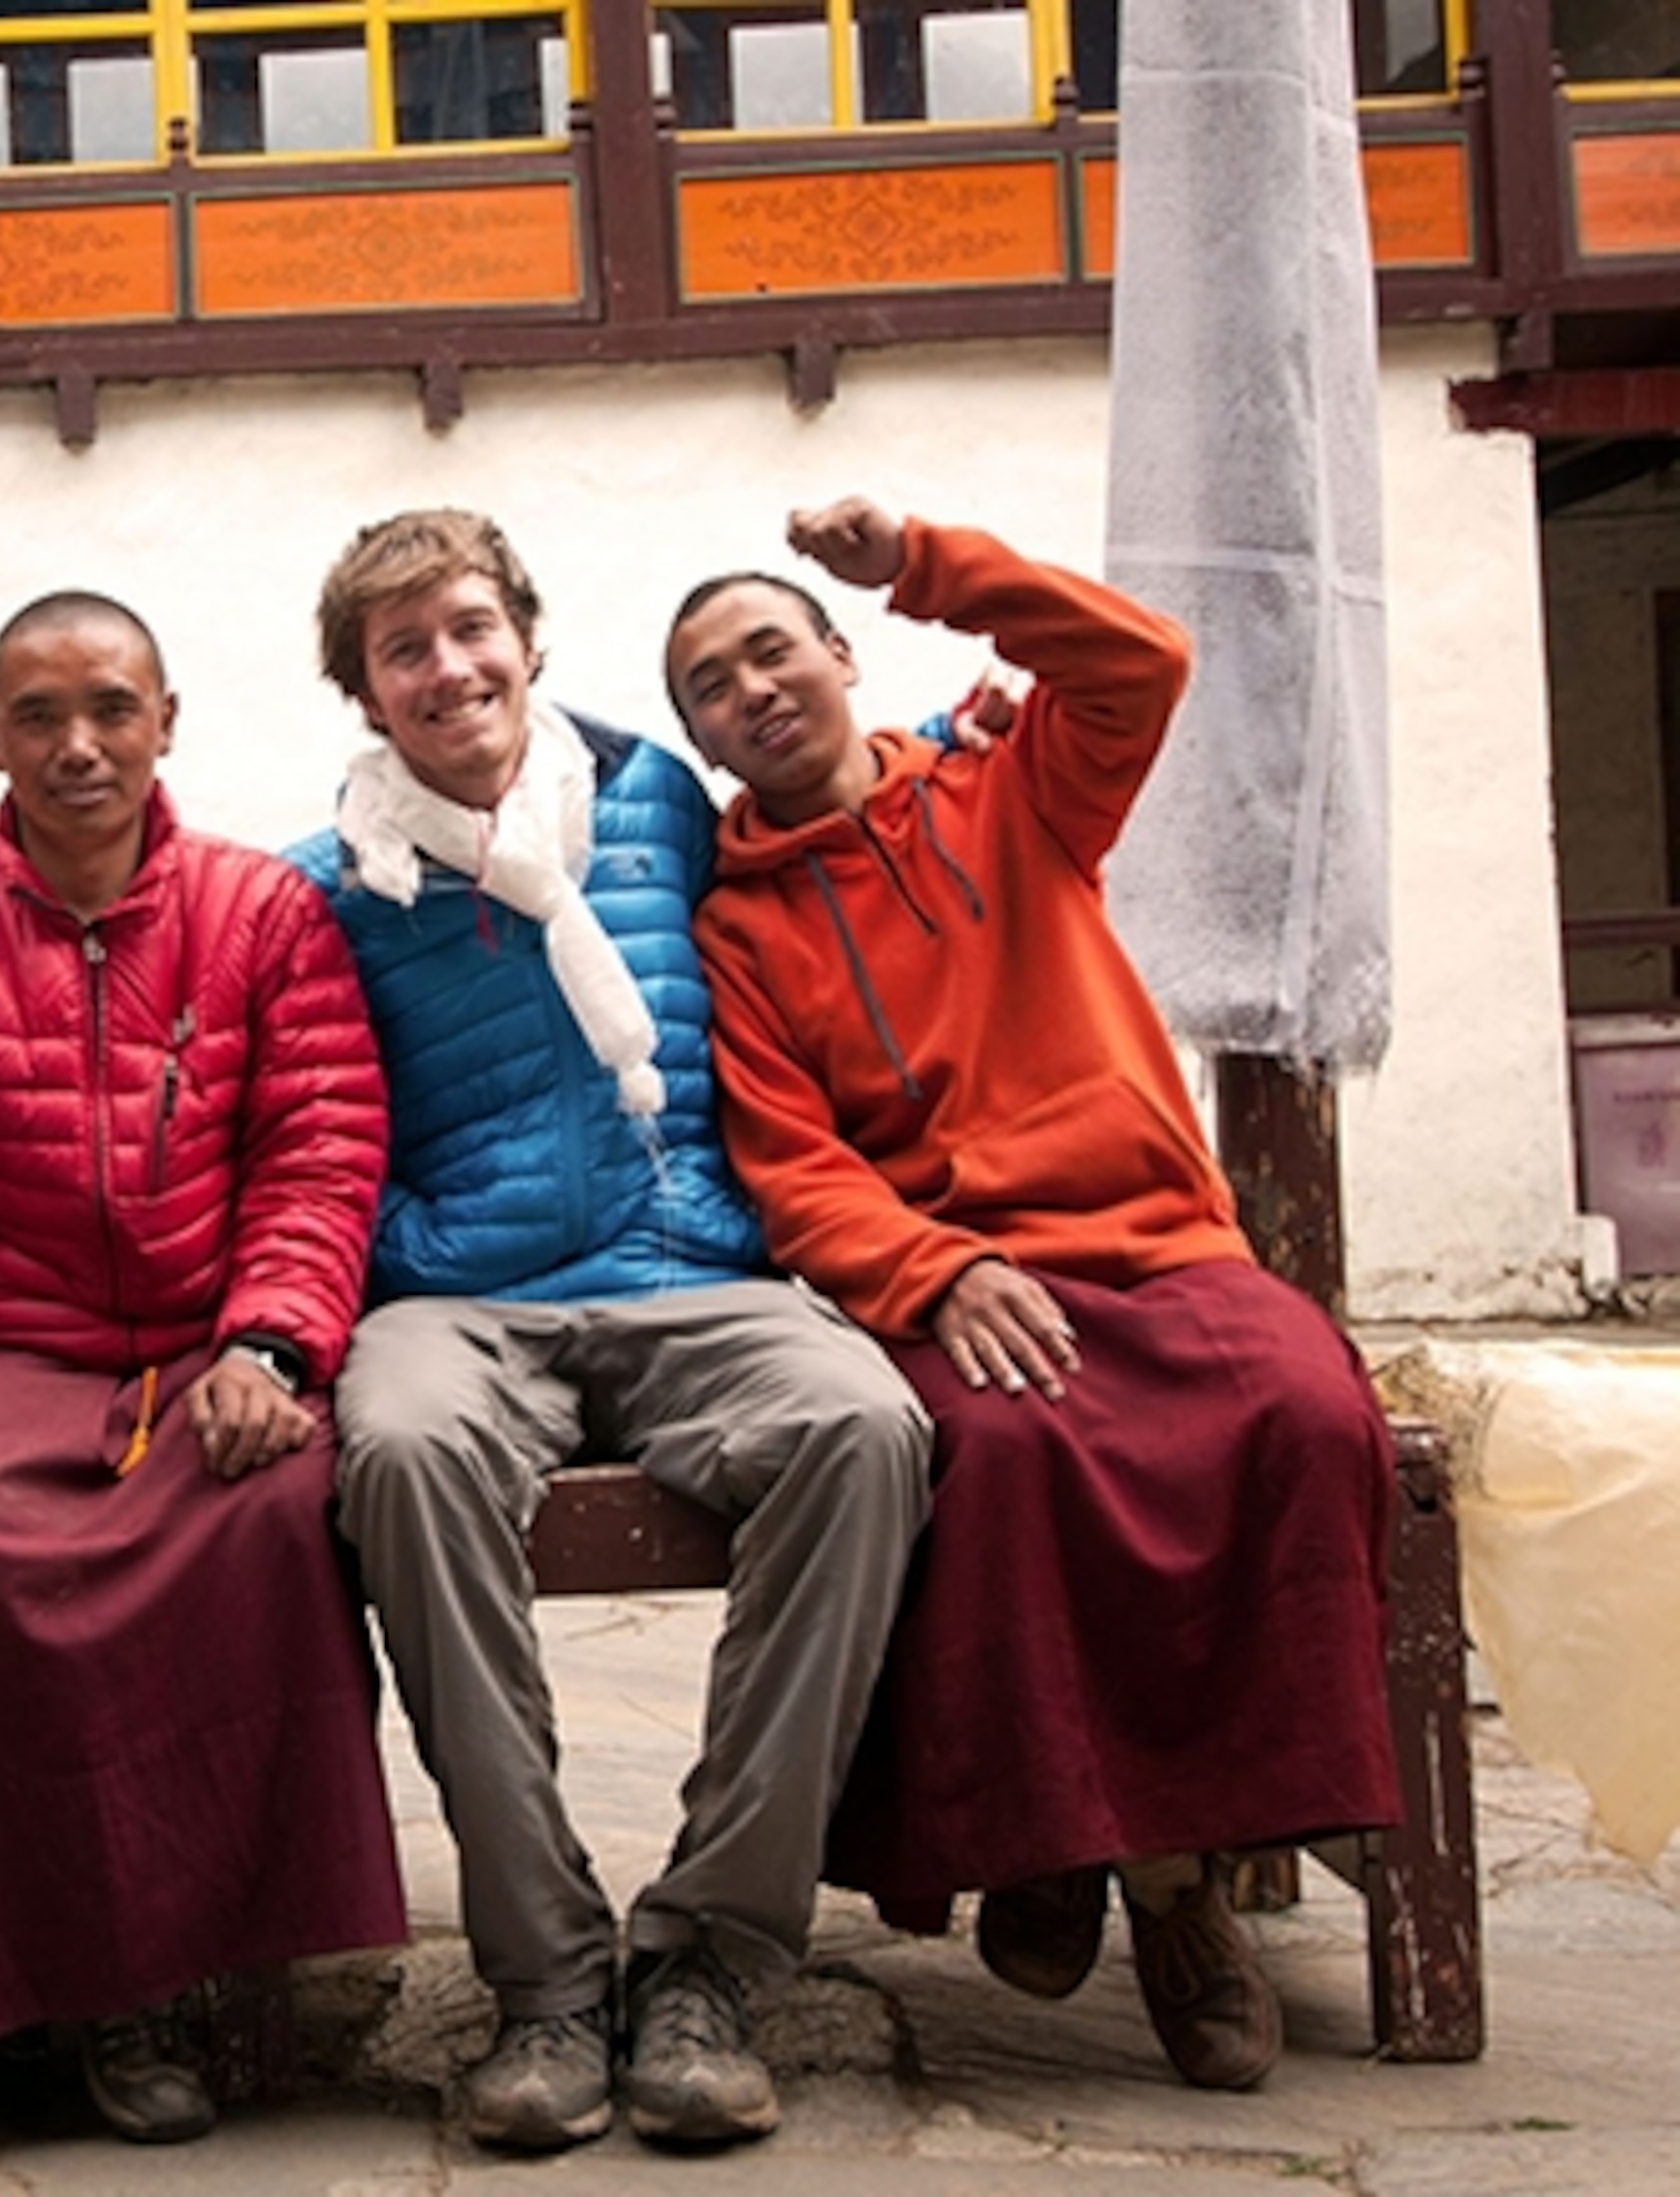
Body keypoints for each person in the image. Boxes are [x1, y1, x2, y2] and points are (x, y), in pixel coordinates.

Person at [665, 498, 1403, 2092]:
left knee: (1302, 1407)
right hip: (967, 1276)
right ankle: (1064, 1841)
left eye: (772, 647)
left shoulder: (1015, 793)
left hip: (1159, 1240)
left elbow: (1141, 659)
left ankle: (1184, 1881)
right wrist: (937, 1270)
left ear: (842, 654)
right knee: (992, 1459)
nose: (755, 690)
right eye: (713, 687)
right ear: (708, 743)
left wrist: (925, 559)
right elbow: (795, 1169)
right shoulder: (739, 924)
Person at [289, 509, 933, 2154]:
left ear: (528, 636)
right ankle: (550, 1978)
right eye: (405, 649)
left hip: (686, 1268)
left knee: (860, 1428)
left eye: (469, 627)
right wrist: (391, 1259)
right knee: (407, 1452)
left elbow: (855, 831)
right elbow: (298, 1119)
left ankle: (713, 1951)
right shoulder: (330, 887)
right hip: (460, 1295)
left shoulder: (656, 798)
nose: (449, 669)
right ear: (367, 697)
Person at [0, 591, 407, 2143]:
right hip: (13, 1341)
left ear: (166, 720)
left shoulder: (263, 911)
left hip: (217, 1341)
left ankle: (175, 1984)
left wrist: (272, 1338)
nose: (79, 746)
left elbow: (320, 1152)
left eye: (111, 710)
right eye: (39, 716)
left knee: (268, 1518)